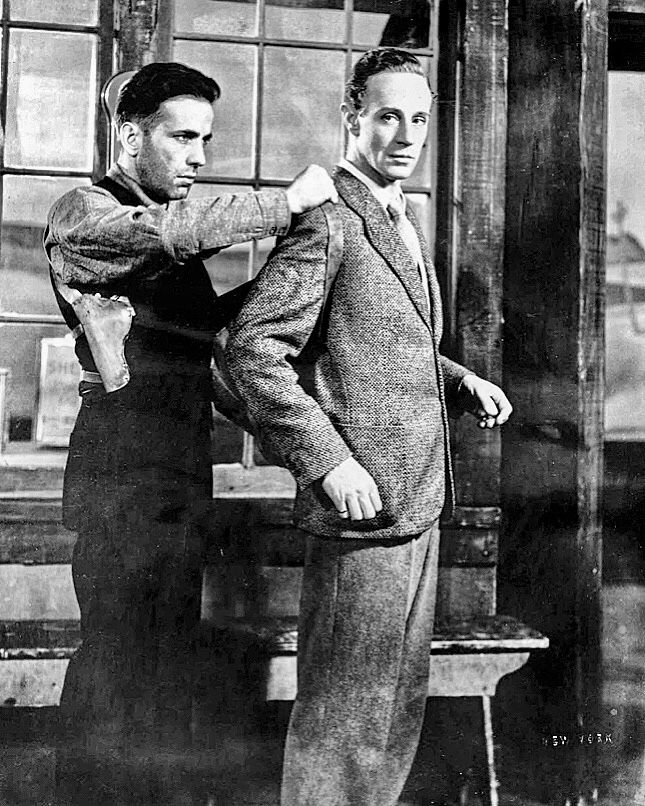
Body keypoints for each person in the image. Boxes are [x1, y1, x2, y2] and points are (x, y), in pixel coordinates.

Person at [226, 47, 513, 806]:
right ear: (350, 117)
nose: (406, 135)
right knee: (344, 722)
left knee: (390, 716)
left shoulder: (398, 213)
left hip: (414, 502)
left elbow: (383, 346)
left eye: (418, 118)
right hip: (360, 507)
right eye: (387, 116)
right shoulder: (328, 218)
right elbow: (250, 349)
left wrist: (458, 379)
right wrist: (326, 461)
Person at [44, 61, 336, 801]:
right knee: (118, 661)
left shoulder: (166, 238)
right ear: (129, 136)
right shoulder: (86, 215)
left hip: (177, 465)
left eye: (206, 139)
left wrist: (301, 264)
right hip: (120, 468)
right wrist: (284, 207)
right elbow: (170, 234)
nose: (199, 156)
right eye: (182, 138)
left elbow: (204, 337)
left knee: (162, 662)